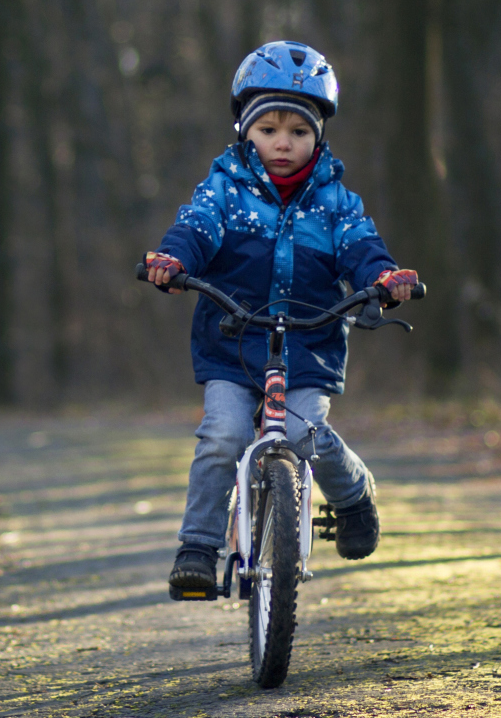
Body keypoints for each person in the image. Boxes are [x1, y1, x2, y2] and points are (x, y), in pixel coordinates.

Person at [144, 40, 418, 592]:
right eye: (268, 129)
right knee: (222, 435)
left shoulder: (335, 201)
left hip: (308, 341)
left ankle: (353, 495)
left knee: (303, 432)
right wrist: (175, 259)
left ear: (318, 136)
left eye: (298, 131)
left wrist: (384, 277)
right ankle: (198, 545)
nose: (283, 143)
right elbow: (197, 227)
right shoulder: (224, 189)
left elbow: (360, 246)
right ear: (246, 131)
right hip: (233, 338)